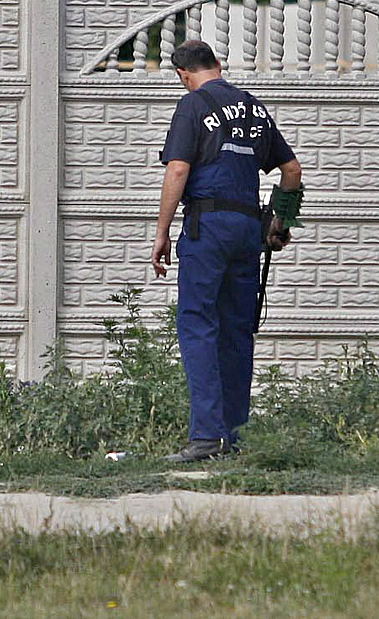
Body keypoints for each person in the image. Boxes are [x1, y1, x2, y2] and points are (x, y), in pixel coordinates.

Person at [151, 40, 304, 462]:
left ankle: (205, 437)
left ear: (183, 75)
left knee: (198, 323)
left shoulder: (194, 105)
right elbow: (291, 171)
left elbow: (178, 168)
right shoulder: (254, 109)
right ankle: (235, 438)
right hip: (245, 229)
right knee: (237, 330)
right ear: (218, 65)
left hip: (208, 225)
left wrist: (162, 232)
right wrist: (280, 221)